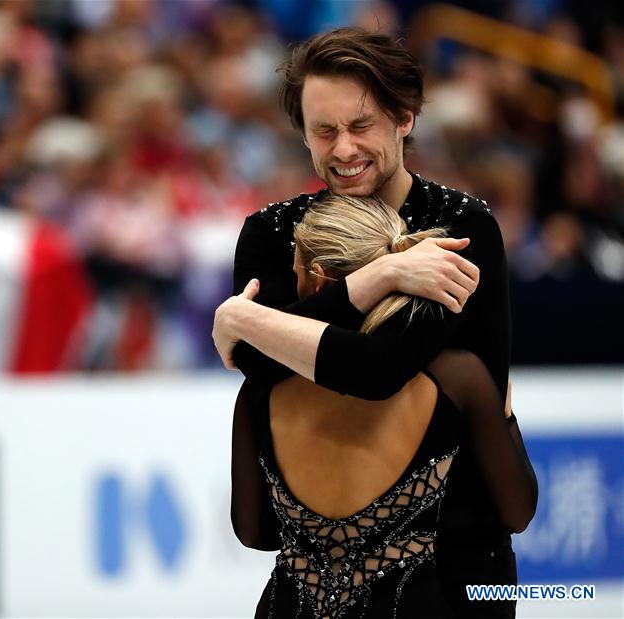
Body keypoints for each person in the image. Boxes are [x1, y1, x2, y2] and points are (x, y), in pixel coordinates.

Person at [212, 28, 518, 617]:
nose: (344, 150)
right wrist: (379, 280)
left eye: (362, 126)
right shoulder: (275, 233)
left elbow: (379, 371)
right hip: (311, 570)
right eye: (323, 131)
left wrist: (252, 321)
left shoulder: (460, 227)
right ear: (302, 132)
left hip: (458, 567)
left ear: (405, 118)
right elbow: (252, 363)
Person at [231, 194, 537, 617]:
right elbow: (517, 511)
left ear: (317, 281)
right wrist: (504, 415)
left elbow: (254, 533)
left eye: (296, 271)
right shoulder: (455, 377)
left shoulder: (262, 386)